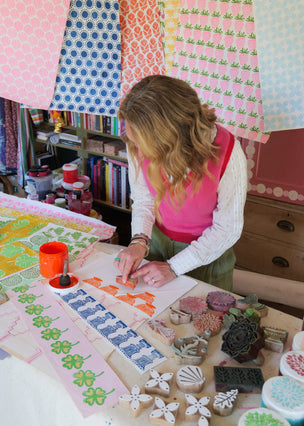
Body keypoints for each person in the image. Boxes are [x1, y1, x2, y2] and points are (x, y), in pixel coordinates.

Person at [114, 75, 247, 291]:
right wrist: (139, 242)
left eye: (143, 146)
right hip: (155, 245)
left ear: (172, 139)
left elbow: (227, 229)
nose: (138, 153)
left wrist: (174, 267)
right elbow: (144, 199)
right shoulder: (137, 137)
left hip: (207, 258)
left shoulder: (229, 153)